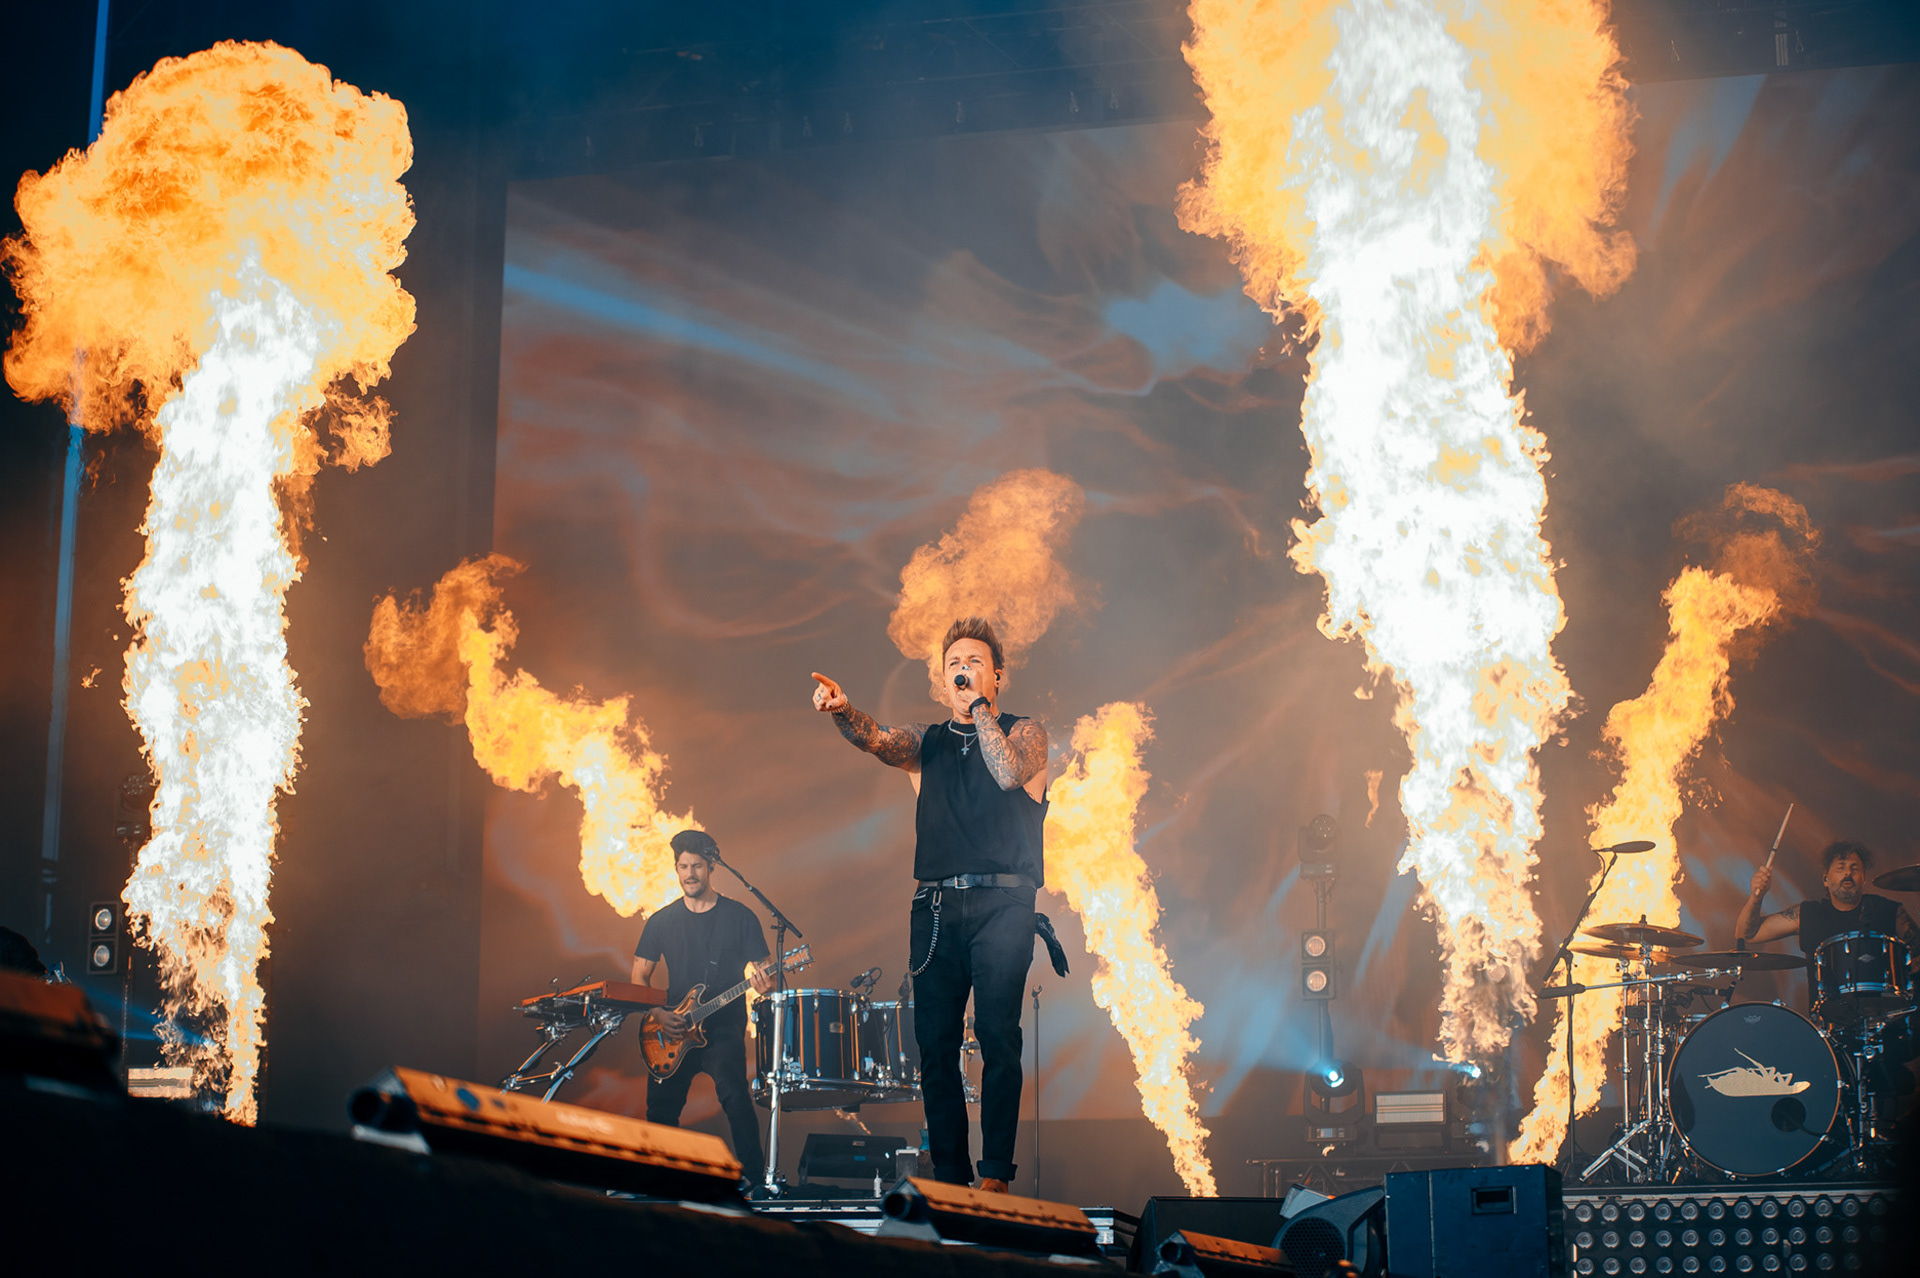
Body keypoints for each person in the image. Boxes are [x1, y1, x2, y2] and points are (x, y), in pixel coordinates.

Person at [810, 616, 1047, 1193]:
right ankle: (949, 1176)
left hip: (1004, 904)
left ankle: (996, 1175)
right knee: (935, 1046)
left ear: (997, 674)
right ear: (941, 681)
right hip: (937, 908)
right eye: (953, 665)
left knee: (998, 1036)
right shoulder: (928, 742)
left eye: (974, 662)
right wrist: (843, 711)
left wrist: (980, 707)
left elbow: (1007, 774)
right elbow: (878, 740)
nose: (963, 670)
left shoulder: (1027, 733)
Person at [1737, 839, 1920, 1109]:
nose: (1848, 873)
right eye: (1840, 867)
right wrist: (1757, 896)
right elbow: (1747, 934)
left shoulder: (1888, 911)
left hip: (1885, 1027)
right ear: (1825, 878)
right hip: (1828, 1030)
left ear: (1863, 877)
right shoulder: (1808, 914)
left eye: (1855, 868)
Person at [631, 829, 775, 1173]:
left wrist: (765, 986)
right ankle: (660, 1180)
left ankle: (754, 1180)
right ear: (676, 869)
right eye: (683, 867)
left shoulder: (739, 917)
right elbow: (639, 977)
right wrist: (658, 1014)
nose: (690, 874)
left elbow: (767, 975)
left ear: (710, 867)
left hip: (723, 1028)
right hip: (671, 1029)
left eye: (696, 866)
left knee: (735, 1097)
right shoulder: (661, 921)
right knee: (661, 1109)